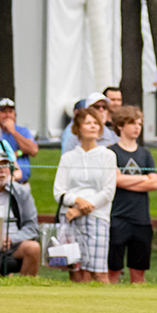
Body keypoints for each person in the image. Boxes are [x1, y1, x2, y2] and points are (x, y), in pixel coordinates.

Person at [54, 108, 118, 283]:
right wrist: (77, 201)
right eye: (88, 123)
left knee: (98, 272)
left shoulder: (108, 156)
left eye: (96, 123)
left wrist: (82, 209)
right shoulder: (68, 158)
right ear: (78, 128)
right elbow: (59, 191)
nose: (93, 126)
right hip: (69, 216)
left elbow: (108, 191)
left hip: (98, 216)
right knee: (76, 271)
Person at [107, 106, 157, 284]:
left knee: (138, 272)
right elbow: (114, 180)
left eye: (139, 123)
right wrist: (143, 178)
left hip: (141, 219)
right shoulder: (111, 152)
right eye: (131, 123)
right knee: (113, 269)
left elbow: (154, 183)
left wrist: (126, 179)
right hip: (117, 217)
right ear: (120, 126)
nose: (137, 127)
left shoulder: (145, 154)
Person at [0, 98, 39, 183]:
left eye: (10, 112)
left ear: (15, 114)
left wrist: (13, 131)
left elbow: (33, 150)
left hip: (22, 182)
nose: (7, 115)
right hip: (1, 183)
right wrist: (20, 152)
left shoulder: (23, 131)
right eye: (3, 112)